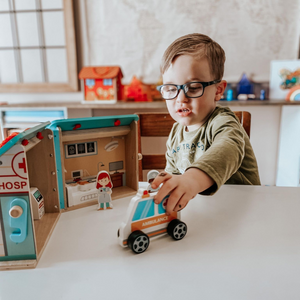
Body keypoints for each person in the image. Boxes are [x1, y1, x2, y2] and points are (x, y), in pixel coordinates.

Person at [151, 33, 260, 216]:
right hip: (204, 214)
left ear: (218, 90)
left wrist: (191, 180)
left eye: (193, 87)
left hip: (242, 214)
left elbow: (228, 148)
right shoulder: (176, 132)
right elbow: (174, 176)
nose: (181, 99)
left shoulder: (223, 122)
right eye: (170, 89)